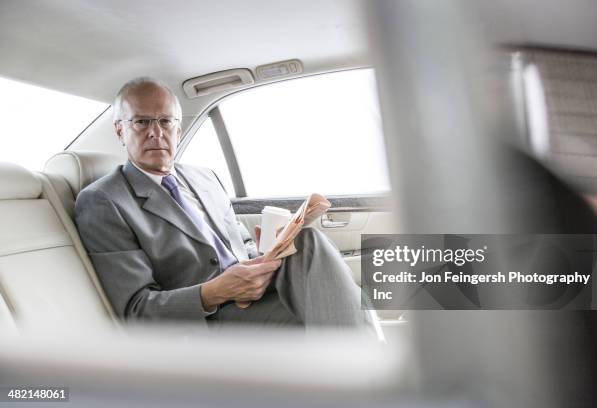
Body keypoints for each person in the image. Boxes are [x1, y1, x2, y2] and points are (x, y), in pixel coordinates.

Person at [75, 77, 378, 334]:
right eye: (141, 122)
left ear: (178, 130)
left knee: (308, 242)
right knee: (337, 316)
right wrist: (216, 291)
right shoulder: (103, 201)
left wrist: (262, 251)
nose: (156, 132)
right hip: (210, 320)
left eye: (166, 121)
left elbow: (239, 243)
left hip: (254, 293)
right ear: (119, 130)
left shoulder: (206, 178)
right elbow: (135, 310)